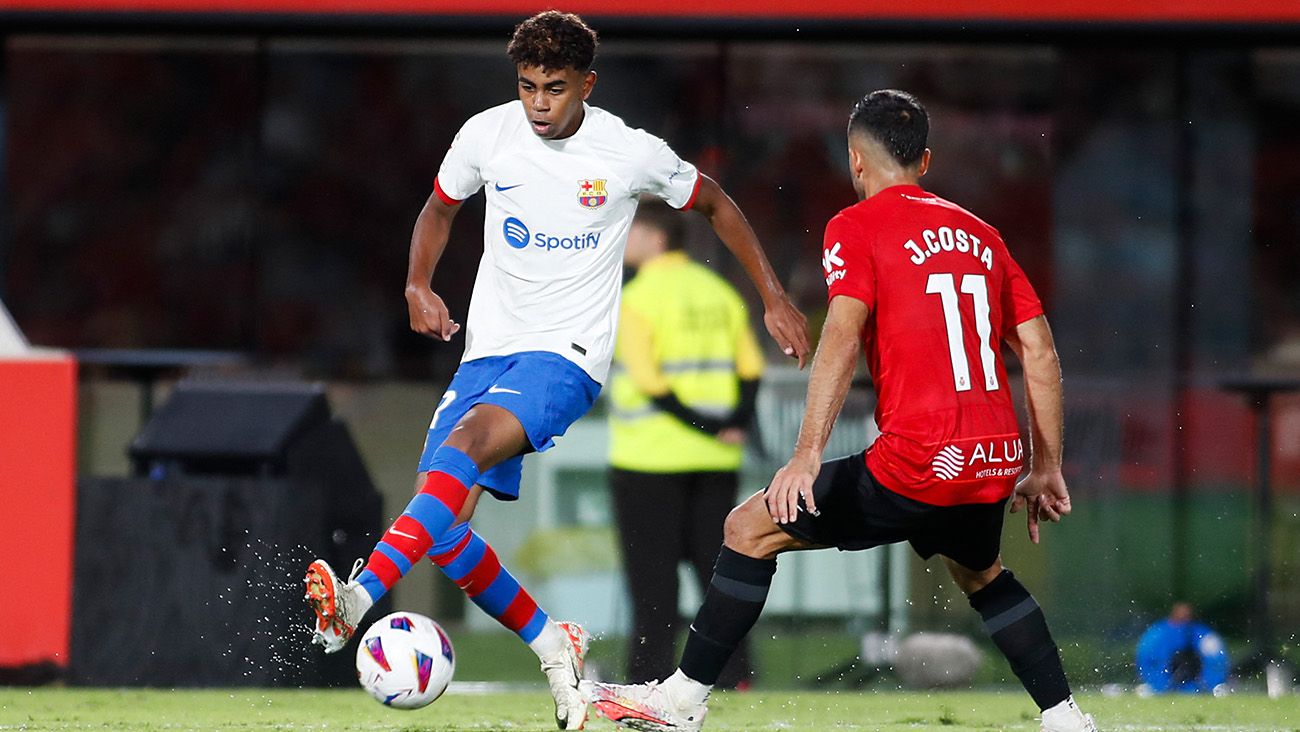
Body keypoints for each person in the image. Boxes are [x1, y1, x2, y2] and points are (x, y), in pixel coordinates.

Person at [300, 10, 809, 731]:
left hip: (566, 356)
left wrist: (775, 297)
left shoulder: (627, 152)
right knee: (440, 525)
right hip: (486, 353)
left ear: (586, 85)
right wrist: (417, 283)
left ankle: (357, 600)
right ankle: (552, 644)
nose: (538, 103)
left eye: (555, 88)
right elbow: (439, 209)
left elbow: (717, 205)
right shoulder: (487, 135)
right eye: (528, 86)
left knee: (467, 447)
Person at [587, 89, 1097, 732]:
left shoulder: (855, 226)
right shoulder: (983, 235)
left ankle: (682, 700)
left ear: (856, 161)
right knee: (982, 573)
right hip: (993, 458)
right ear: (925, 161)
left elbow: (840, 336)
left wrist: (805, 457)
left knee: (748, 528)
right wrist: (1045, 467)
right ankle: (1064, 715)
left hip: (919, 458)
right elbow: (1040, 352)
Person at [608, 198, 763, 688]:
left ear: (657, 238)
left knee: (653, 586)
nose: (625, 239)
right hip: (716, 462)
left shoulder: (636, 299)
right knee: (721, 576)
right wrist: (731, 424)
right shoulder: (717, 291)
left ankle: (649, 680)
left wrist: (703, 426)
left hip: (647, 460)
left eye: (633, 231)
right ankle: (735, 677)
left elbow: (651, 385)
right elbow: (751, 371)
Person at [1135, 602, 1229, 694]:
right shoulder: (1158, 634)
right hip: (1172, 682)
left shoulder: (1201, 634)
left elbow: (1218, 661)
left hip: (1190, 682)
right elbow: (1146, 659)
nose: (1184, 619)